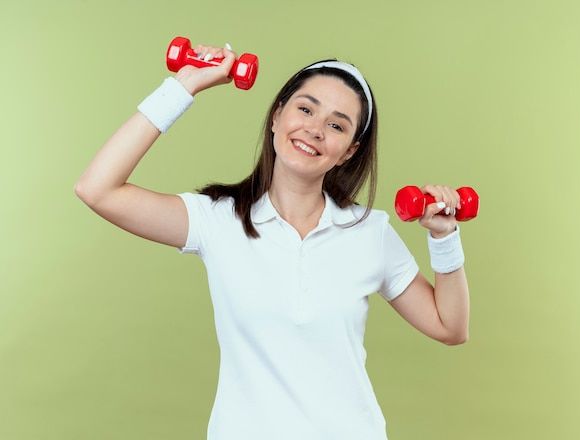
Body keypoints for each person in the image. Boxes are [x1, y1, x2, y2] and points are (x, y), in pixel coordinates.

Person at [75, 41, 470, 440]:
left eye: (336, 125)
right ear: (277, 116)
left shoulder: (370, 231)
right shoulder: (217, 220)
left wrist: (444, 236)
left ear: (349, 151)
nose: (314, 129)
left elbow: (449, 327)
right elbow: (97, 189)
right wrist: (184, 86)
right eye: (305, 109)